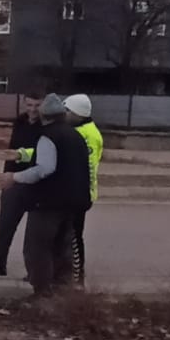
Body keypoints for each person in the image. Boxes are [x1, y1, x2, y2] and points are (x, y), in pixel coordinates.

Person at [0, 94, 90, 297]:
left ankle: (42, 293)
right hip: (73, 202)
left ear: (44, 115)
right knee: (61, 248)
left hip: (48, 202)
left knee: (37, 248)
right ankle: (63, 293)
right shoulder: (75, 135)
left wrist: (14, 177)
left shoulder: (48, 136)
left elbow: (44, 169)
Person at [0, 89, 44, 276]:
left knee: (36, 234)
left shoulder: (47, 126)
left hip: (37, 181)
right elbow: (11, 151)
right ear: (24, 103)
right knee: (4, 227)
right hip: (13, 180)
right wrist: (7, 176)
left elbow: (43, 156)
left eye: (37, 105)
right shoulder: (19, 122)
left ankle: (36, 272)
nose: (33, 109)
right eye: (29, 105)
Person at [64, 94, 103, 285]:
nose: (65, 114)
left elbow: (87, 166)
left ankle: (78, 277)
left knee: (74, 237)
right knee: (63, 235)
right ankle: (61, 272)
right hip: (71, 191)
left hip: (80, 193)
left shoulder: (89, 135)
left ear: (78, 114)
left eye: (68, 111)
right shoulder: (78, 130)